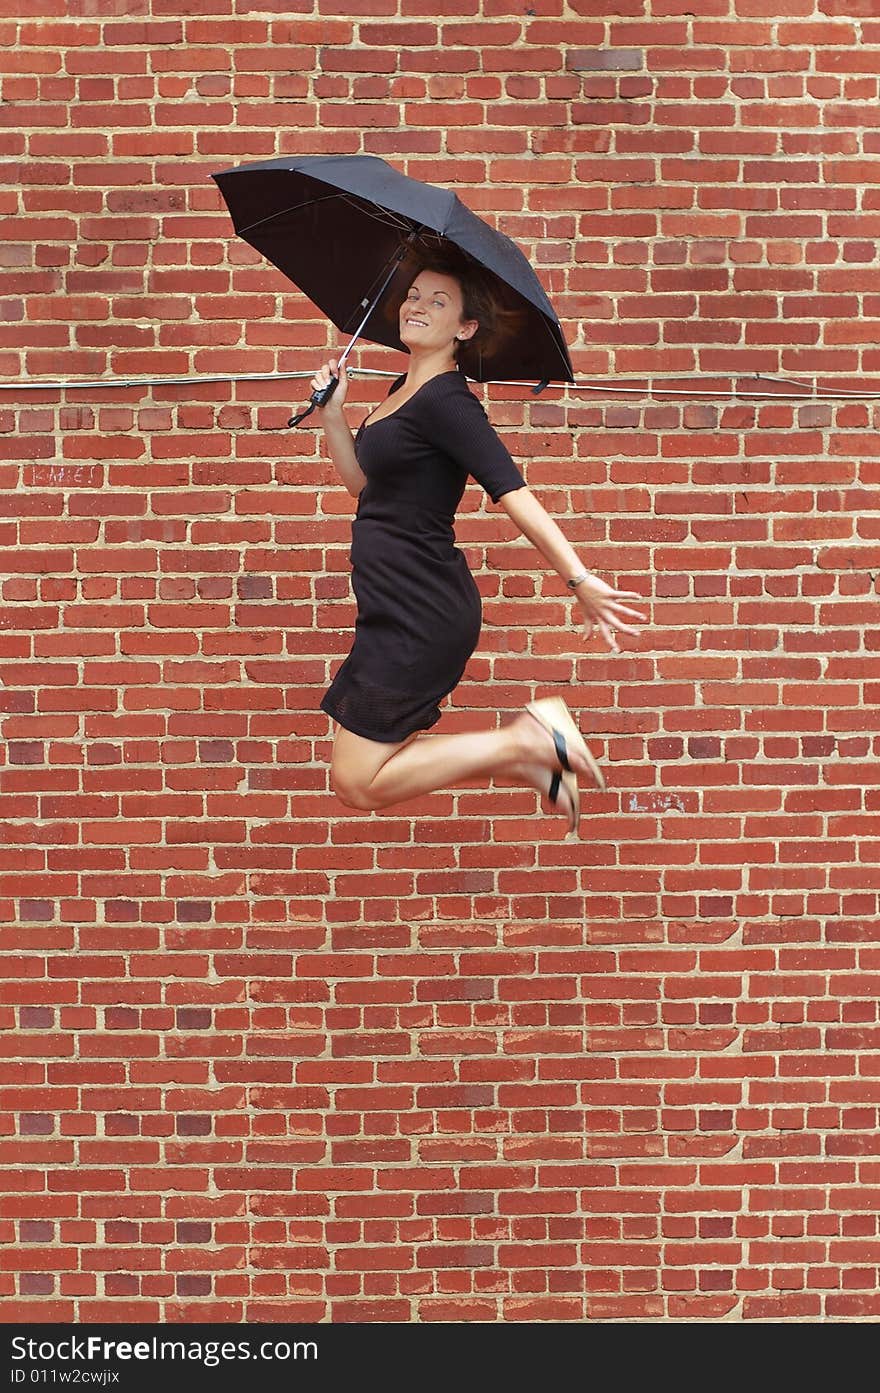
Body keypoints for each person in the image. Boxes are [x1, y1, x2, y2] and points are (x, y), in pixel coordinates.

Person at [310, 256, 646, 836]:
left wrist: (578, 578)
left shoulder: (447, 402)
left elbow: (513, 492)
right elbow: (367, 491)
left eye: (438, 302)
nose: (416, 307)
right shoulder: (401, 390)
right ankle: (530, 755)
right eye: (414, 295)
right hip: (393, 608)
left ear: (465, 329)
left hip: (421, 611)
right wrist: (334, 416)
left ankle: (527, 740)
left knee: (356, 781)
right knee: (354, 781)